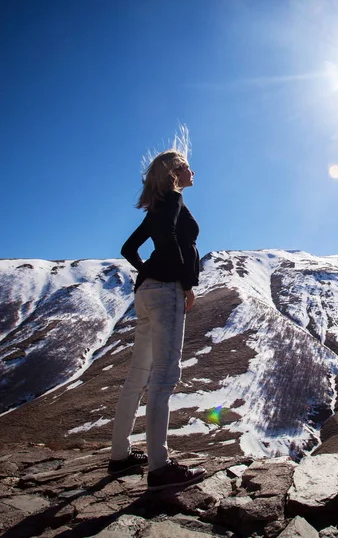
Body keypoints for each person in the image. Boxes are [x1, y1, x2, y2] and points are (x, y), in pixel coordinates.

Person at [107, 140, 204, 491]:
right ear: (175, 172)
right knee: (164, 377)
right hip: (166, 292)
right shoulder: (175, 201)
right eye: (187, 166)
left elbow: (128, 248)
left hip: (145, 293)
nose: (193, 171)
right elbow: (176, 245)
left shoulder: (157, 208)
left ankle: (119, 456)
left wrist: (147, 269)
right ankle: (160, 467)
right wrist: (185, 282)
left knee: (138, 376)